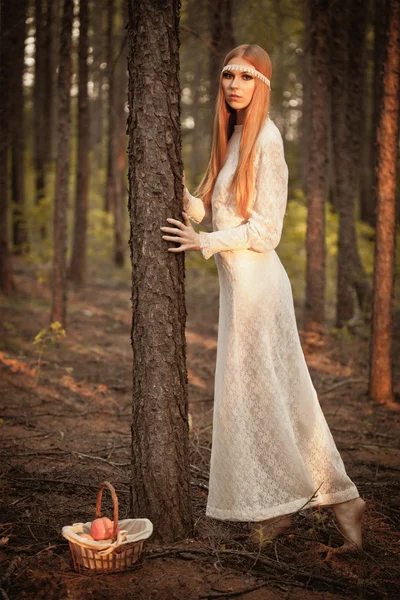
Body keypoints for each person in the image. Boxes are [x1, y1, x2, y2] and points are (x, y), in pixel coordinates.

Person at [160, 44, 366, 551]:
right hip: (240, 290)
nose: (234, 84)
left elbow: (266, 230)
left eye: (247, 77)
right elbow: (209, 209)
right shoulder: (230, 139)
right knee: (263, 397)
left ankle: (323, 500)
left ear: (263, 86)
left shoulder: (267, 140)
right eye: (228, 74)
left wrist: (204, 242)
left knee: (270, 395)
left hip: (260, 288)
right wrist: (180, 192)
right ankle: (302, 505)